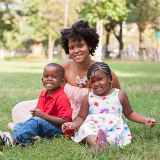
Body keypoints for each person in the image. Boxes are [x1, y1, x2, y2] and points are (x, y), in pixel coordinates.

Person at [9, 20, 120, 129]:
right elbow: (55, 94)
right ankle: (36, 127)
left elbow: (117, 98)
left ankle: (37, 127)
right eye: (72, 47)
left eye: (80, 46)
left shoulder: (102, 70)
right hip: (61, 111)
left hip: (89, 116)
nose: (76, 50)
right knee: (19, 109)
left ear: (90, 45)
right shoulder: (65, 67)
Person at [62, 62, 156, 150]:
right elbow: (81, 117)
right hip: (93, 125)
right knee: (88, 130)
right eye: (93, 81)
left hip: (113, 126)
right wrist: (73, 124)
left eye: (100, 79)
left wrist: (144, 120)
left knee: (115, 134)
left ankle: (105, 142)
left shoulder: (119, 95)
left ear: (109, 78)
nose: (96, 84)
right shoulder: (89, 97)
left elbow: (130, 113)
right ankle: (98, 145)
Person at [0, 63, 72, 147]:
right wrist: (30, 122)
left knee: (36, 122)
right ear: (42, 80)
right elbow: (37, 116)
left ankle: (12, 141)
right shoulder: (43, 94)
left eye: (54, 76)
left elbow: (65, 121)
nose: (49, 79)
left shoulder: (62, 97)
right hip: (44, 125)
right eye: (46, 76)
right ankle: (34, 139)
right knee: (18, 125)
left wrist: (43, 116)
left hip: (59, 130)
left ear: (61, 81)